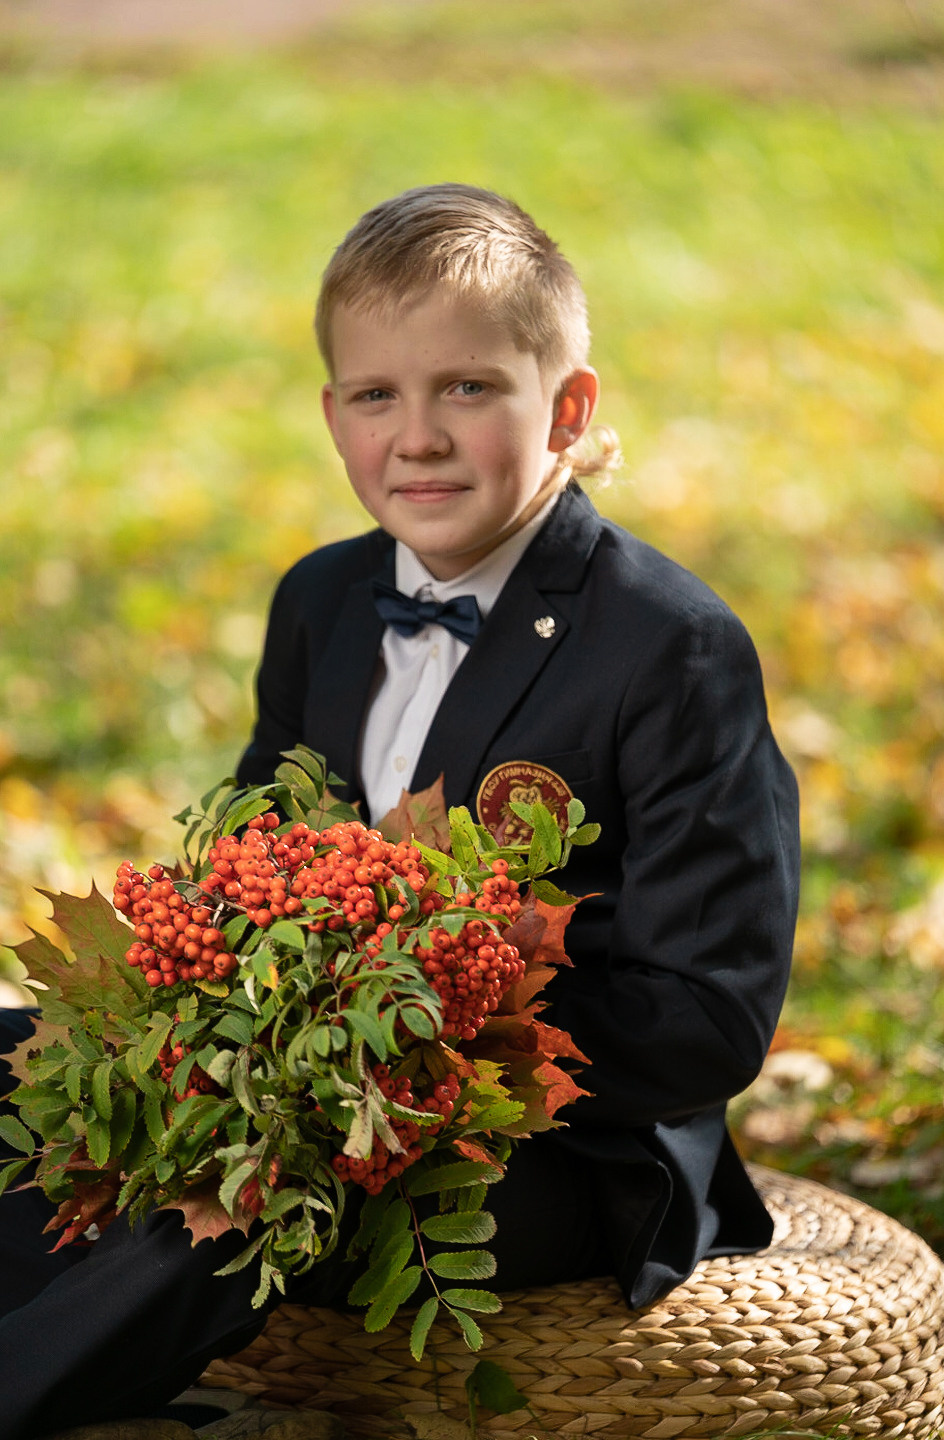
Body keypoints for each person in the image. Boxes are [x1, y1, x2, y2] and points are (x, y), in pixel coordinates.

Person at [0, 183, 800, 1438]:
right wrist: (205, 1021)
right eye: (377, 395)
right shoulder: (321, 602)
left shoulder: (671, 648)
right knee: (24, 1068)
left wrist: (415, 1052)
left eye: (468, 389)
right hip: (301, 1070)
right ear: (334, 418)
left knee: (260, 1181)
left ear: (570, 410)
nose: (416, 436)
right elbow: (254, 861)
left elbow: (709, 1017)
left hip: (553, 1143)